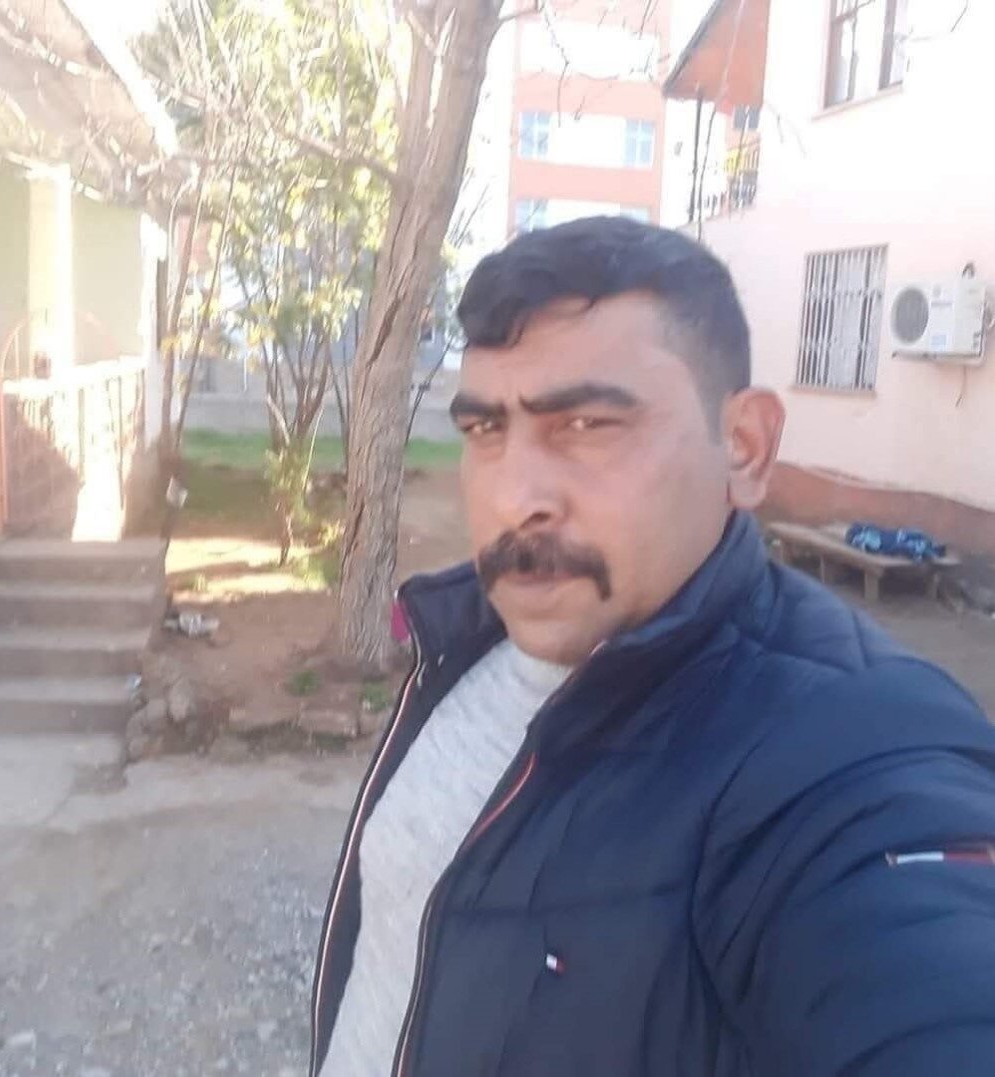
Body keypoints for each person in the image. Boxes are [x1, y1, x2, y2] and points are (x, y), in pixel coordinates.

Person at [310, 217, 995, 1076]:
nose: (515, 496)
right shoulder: (470, 634)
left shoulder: (846, 749)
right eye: (485, 430)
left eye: (587, 424)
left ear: (744, 448)